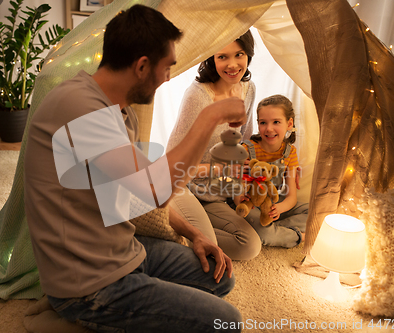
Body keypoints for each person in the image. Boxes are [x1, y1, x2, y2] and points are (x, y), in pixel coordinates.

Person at [24, 5, 247, 333]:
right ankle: (72, 316)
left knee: (220, 278)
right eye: (167, 67)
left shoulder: (117, 110)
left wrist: (195, 234)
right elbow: (156, 191)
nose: (168, 76)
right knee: (226, 323)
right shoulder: (80, 108)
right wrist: (211, 116)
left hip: (119, 249)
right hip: (87, 283)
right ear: (142, 66)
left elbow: (139, 193)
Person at [167, 30, 262, 261]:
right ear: (212, 58)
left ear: (248, 54)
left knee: (250, 246)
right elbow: (171, 168)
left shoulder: (248, 89)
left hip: (216, 192)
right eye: (222, 57)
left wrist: (246, 177)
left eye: (239, 54)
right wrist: (218, 170)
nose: (232, 65)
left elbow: (246, 142)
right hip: (183, 187)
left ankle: (187, 232)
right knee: (209, 249)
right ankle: (185, 229)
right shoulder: (198, 96)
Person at [238, 94, 308, 248]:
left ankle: (276, 226)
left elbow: (291, 197)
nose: (269, 129)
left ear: (289, 124)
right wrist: (241, 199)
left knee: (316, 213)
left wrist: (279, 209)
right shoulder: (246, 150)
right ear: (258, 124)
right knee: (263, 233)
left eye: (276, 122)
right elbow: (236, 192)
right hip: (250, 204)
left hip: (273, 201)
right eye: (263, 123)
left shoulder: (290, 152)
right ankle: (298, 236)